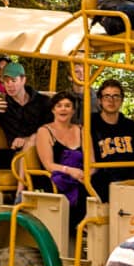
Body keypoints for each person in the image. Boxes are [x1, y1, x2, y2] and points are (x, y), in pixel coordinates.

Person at [86, 78, 134, 198]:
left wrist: (132, 179)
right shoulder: (91, 123)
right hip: (104, 178)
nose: (111, 101)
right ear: (100, 100)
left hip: (130, 178)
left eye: (116, 96)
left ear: (122, 100)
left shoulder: (132, 126)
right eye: (107, 96)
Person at [0, 57, 51, 174]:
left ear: (23, 80)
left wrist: (28, 139)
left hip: (43, 149)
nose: (9, 85)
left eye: (13, 81)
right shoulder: (1, 105)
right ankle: (20, 189)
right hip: (15, 155)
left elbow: (52, 128)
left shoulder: (43, 102)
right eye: (6, 81)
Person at [31, 92, 89, 221]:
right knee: (79, 189)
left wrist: (88, 173)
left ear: (73, 111)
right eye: (59, 105)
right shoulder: (44, 131)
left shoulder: (81, 130)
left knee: (98, 183)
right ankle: (78, 227)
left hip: (80, 175)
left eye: (67, 106)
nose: (63, 109)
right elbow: (49, 165)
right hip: (56, 177)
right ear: (53, 110)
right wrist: (70, 171)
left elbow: (91, 160)